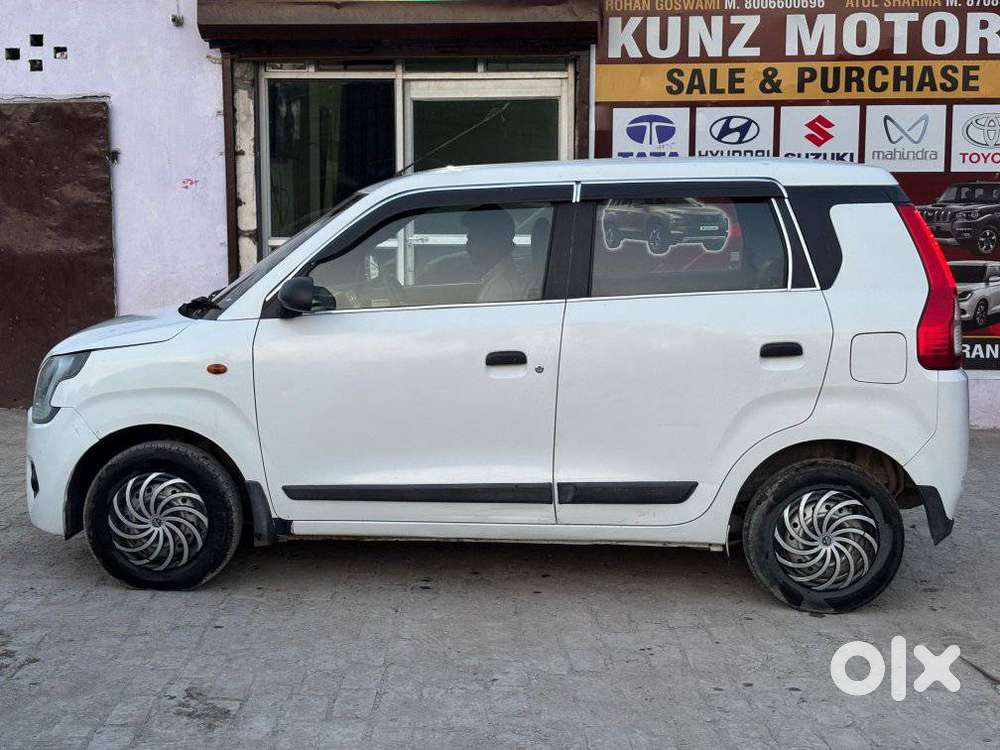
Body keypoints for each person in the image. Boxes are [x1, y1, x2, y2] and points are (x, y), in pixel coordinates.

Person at [461, 207, 524, 302]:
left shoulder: (499, 289)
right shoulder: (498, 278)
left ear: (491, 243)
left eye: (472, 241)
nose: (467, 247)